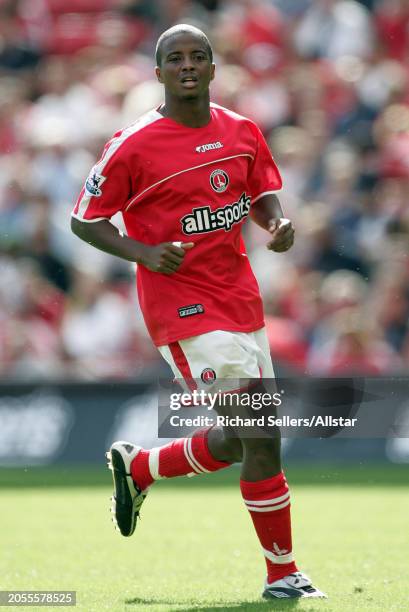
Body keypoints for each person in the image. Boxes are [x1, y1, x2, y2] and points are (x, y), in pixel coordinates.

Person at [71, 24, 325, 600]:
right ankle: (284, 577)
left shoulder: (242, 131)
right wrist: (143, 252)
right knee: (260, 432)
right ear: (158, 73)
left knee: (246, 439)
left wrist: (276, 224)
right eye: (174, 58)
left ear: (213, 67)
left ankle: (141, 469)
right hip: (182, 308)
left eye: (198, 56)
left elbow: (260, 191)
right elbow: (83, 220)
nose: (187, 65)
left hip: (240, 297)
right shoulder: (132, 145)